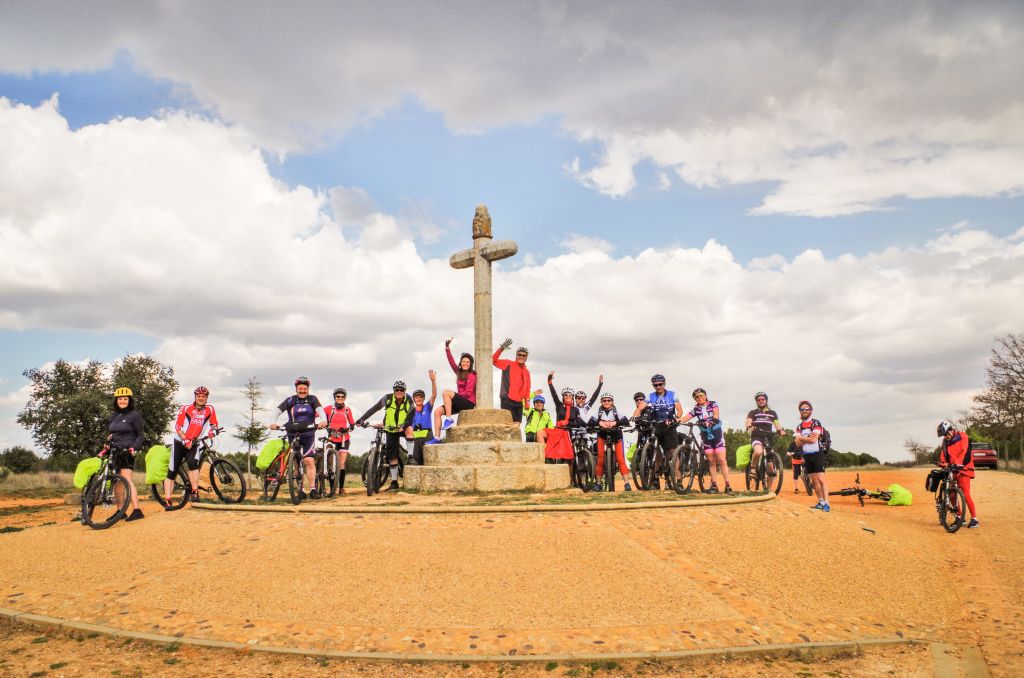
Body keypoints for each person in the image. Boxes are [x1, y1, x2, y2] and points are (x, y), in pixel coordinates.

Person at [270, 377, 327, 499]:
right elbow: (277, 410)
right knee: (295, 462)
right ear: (296, 389)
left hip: (308, 434)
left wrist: (324, 420)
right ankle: (300, 490)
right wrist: (273, 422)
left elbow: (320, 410)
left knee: (309, 461)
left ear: (308, 389)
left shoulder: (312, 399)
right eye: (300, 388)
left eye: (305, 388)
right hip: (293, 433)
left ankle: (312, 489)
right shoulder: (290, 400)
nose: (302, 391)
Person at [165, 386, 220, 506]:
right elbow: (178, 426)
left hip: (194, 442)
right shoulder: (186, 408)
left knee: (193, 465)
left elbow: (214, 423)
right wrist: (184, 439)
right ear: (195, 397)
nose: (201, 398)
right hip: (180, 441)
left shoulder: (210, 409)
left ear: (206, 398)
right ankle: (168, 500)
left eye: (203, 396)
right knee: (172, 470)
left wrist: (213, 431)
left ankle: (194, 492)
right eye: (198, 396)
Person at [356, 380, 413, 492]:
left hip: (403, 427)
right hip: (390, 429)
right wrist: (362, 419)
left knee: (410, 430)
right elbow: (374, 408)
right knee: (392, 456)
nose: (399, 392)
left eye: (402, 390)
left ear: (405, 391)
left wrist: (404, 425)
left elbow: (411, 414)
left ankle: (411, 458)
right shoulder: (387, 399)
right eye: (397, 390)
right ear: (394, 391)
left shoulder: (409, 400)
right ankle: (394, 482)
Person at [105, 387, 145, 521]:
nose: (122, 401)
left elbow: (140, 435)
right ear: (116, 400)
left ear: (130, 400)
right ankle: (120, 510)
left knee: (127, 479)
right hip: (114, 450)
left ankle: (137, 510)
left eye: (125, 399)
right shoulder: (114, 416)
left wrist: (134, 448)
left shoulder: (134, 415)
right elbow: (112, 433)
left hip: (127, 450)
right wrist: (107, 443)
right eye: (120, 399)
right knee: (117, 481)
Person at [683, 388, 732, 494]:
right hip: (705, 435)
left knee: (722, 459)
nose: (699, 397)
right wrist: (676, 421)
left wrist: (713, 419)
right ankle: (714, 485)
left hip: (716, 434)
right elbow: (686, 417)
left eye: (701, 395)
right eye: (696, 397)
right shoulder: (696, 409)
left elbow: (716, 413)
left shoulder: (713, 404)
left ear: (705, 395)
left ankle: (728, 485)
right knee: (711, 461)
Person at [430, 338, 477, 443]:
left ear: (470, 364)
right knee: (437, 411)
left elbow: (468, 393)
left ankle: (449, 419)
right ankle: (437, 437)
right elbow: (451, 362)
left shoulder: (472, 375)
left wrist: (455, 396)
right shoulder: (459, 372)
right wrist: (447, 348)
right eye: (463, 361)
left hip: (468, 403)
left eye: (467, 362)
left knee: (446, 392)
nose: (465, 363)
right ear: (461, 363)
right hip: (460, 401)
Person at [938, 420, 978, 528]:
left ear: (951, 430)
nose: (945, 437)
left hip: (964, 469)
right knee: (951, 493)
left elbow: (965, 452)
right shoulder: (945, 442)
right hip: (953, 469)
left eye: (946, 434)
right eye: (943, 436)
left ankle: (974, 519)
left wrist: (958, 464)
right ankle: (960, 517)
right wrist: (943, 463)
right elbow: (943, 454)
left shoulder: (963, 436)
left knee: (965, 494)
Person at [647, 374, 683, 489]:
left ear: (664, 384)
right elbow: (642, 406)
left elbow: (680, 410)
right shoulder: (651, 396)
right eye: (655, 385)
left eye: (660, 384)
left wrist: (676, 417)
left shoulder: (672, 394)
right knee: (657, 453)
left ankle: (679, 481)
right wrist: (635, 416)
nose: (658, 387)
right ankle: (656, 480)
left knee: (673, 453)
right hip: (657, 426)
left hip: (669, 426)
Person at [590, 393, 632, 492]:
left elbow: (626, 421)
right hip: (602, 435)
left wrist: (615, 423)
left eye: (609, 400)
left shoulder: (616, 411)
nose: (606, 402)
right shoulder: (599, 412)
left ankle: (626, 483)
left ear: (612, 402)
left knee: (620, 459)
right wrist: (599, 422)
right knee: (600, 459)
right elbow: (590, 422)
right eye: (604, 400)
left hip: (616, 435)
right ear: (601, 402)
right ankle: (598, 483)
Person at [794, 400, 830, 511]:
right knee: (814, 481)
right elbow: (797, 443)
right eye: (802, 409)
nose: (804, 411)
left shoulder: (816, 423)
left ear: (811, 411)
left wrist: (802, 438)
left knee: (821, 479)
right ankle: (820, 502)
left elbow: (814, 439)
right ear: (800, 411)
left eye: (807, 409)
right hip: (807, 455)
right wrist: (807, 438)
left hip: (817, 453)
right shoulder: (799, 426)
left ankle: (827, 503)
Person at [745, 391, 785, 484]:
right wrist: (749, 426)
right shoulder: (753, 412)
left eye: (763, 399)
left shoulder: (773, 413)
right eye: (758, 400)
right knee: (758, 451)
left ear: (766, 400)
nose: (761, 401)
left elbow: (777, 425)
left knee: (771, 467)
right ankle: (753, 467)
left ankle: (769, 491)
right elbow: (748, 422)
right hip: (757, 437)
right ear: (756, 402)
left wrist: (781, 431)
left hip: (768, 438)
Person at [324, 387, 356, 496]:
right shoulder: (328, 409)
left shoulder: (347, 410)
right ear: (334, 397)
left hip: (344, 439)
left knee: (341, 463)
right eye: (338, 396)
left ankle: (341, 488)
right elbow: (317, 414)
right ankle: (332, 487)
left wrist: (348, 429)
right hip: (332, 438)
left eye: (342, 397)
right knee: (330, 464)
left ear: (345, 398)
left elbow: (352, 424)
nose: (340, 398)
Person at [545, 372, 582, 464]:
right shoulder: (559, 405)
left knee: (569, 457)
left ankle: (569, 477)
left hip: (568, 432)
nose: (568, 396)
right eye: (566, 395)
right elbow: (554, 395)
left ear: (572, 397)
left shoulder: (575, 409)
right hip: (558, 431)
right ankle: (546, 459)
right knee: (540, 434)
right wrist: (549, 381)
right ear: (563, 397)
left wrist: (567, 423)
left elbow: (578, 423)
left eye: (570, 395)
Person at [493, 339, 531, 424]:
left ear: (526, 358)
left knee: (516, 426)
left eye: (524, 355)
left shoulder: (526, 372)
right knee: (507, 425)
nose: (521, 357)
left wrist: (527, 404)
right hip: (507, 400)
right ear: (516, 355)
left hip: (519, 403)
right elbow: (493, 360)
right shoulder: (508, 364)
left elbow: (527, 390)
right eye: (519, 354)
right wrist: (501, 348)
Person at [405, 371, 437, 466]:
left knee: (430, 461)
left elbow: (434, 395)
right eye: (416, 397)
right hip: (415, 437)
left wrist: (433, 381)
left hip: (428, 436)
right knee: (415, 463)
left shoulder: (427, 407)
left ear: (423, 399)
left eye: (421, 397)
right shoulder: (411, 411)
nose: (419, 399)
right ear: (414, 399)